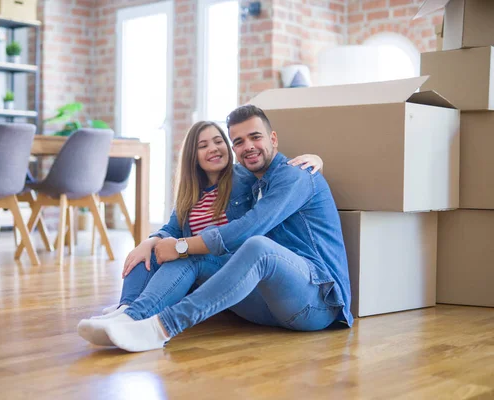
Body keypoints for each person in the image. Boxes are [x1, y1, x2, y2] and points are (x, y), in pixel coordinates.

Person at [89, 105, 353, 352]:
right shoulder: (256, 182)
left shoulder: (295, 175)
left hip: (317, 302)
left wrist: (181, 245)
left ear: (273, 138)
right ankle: (131, 316)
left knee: (255, 245)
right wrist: (159, 241)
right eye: (238, 141)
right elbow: (175, 227)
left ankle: (161, 327)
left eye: (255, 137)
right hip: (270, 304)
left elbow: (249, 229)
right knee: (188, 256)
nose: (248, 146)